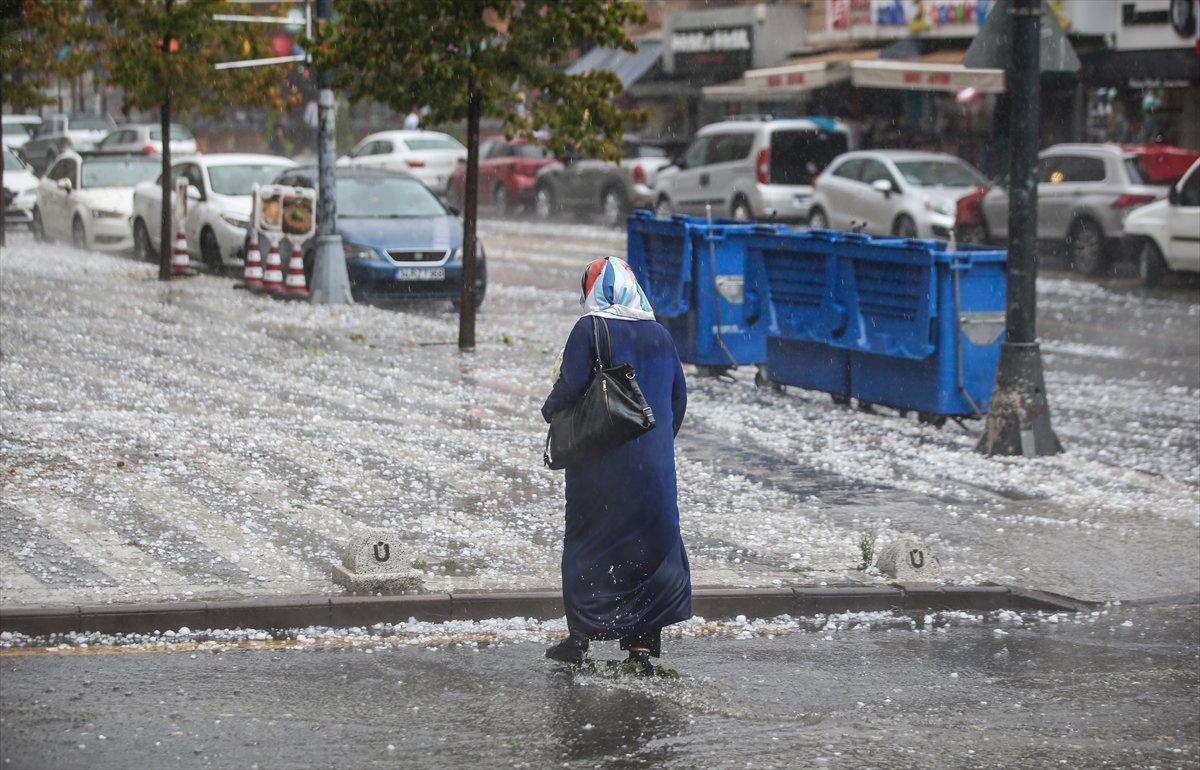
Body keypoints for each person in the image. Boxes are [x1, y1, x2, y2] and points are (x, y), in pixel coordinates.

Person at [541, 256, 691, 674]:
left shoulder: (589, 329)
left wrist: (547, 410)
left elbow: (570, 386)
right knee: (647, 551)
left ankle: (581, 637)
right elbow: (678, 399)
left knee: (590, 545)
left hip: (602, 465)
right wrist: (655, 445)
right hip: (656, 470)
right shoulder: (661, 334)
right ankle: (641, 647)